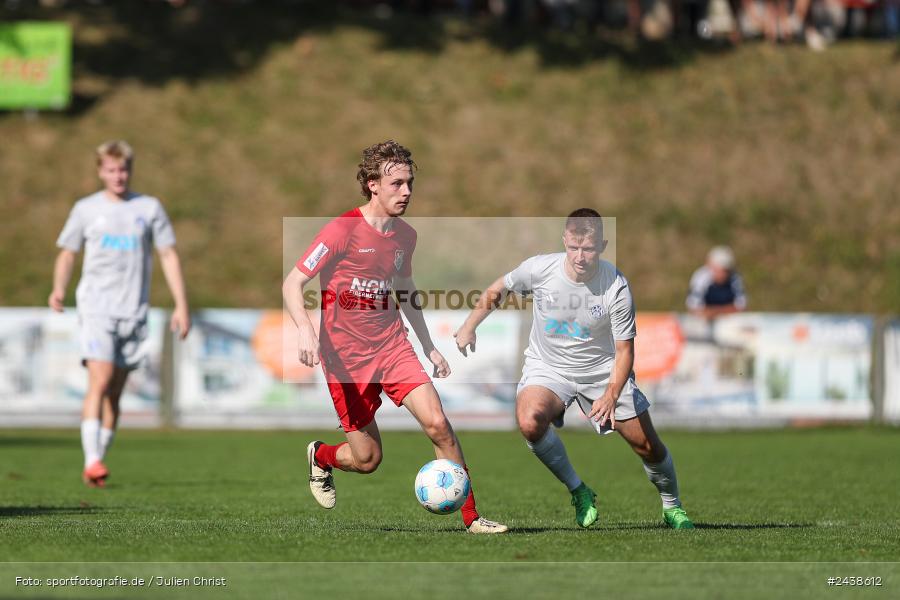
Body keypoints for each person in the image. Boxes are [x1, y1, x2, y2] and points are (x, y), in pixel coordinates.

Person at [281, 140, 507, 534]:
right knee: (367, 459)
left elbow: (404, 289)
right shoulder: (341, 230)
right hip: (345, 360)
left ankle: (472, 518)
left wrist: (428, 347)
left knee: (438, 424)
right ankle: (322, 457)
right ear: (372, 184)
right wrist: (305, 330)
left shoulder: (405, 236)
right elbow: (292, 283)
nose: (406, 192)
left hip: (392, 347)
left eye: (410, 184)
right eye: (397, 184)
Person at [453, 208, 694, 530]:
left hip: (601, 371)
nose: (580, 256)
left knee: (646, 446)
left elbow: (625, 351)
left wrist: (610, 395)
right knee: (529, 422)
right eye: (574, 247)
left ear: (602, 246)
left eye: (589, 249)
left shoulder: (615, 286)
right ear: (565, 240)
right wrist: (470, 325)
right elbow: (500, 288)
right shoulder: (540, 269)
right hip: (548, 368)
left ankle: (672, 507)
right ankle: (579, 491)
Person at [50, 140, 190, 487]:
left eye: (123, 169)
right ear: (100, 171)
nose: (118, 176)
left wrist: (181, 304)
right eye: (111, 170)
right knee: (99, 378)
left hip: (134, 312)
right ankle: (92, 459)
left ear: (131, 170)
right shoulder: (85, 209)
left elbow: (168, 254)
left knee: (114, 392)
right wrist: (58, 288)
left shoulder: (148, 208)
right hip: (96, 307)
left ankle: (97, 457)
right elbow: (68, 253)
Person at [685, 245, 747, 319]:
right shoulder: (700, 277)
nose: (723, 274)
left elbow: (741, 306)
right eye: (719, 269)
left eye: (726, 270)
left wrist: (714, 312)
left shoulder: (735, 278)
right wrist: (725, 311)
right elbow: (694, 308)